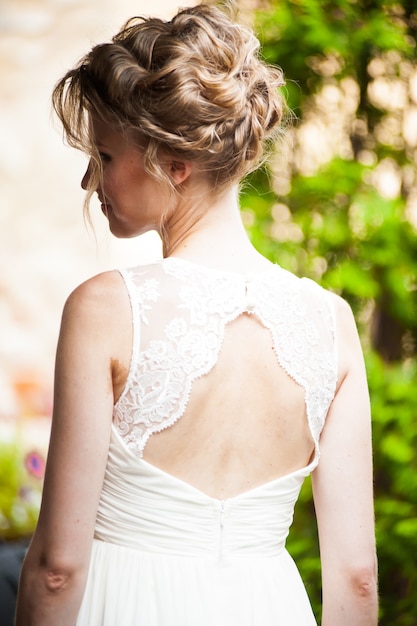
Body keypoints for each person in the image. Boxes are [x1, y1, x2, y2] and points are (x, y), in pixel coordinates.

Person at [15, 3, 378, 625]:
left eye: (104, 157)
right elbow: (357, 577)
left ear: (173, 165)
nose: (88, 183)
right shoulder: (331, 323)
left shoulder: (106, 308)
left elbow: (57, 568)